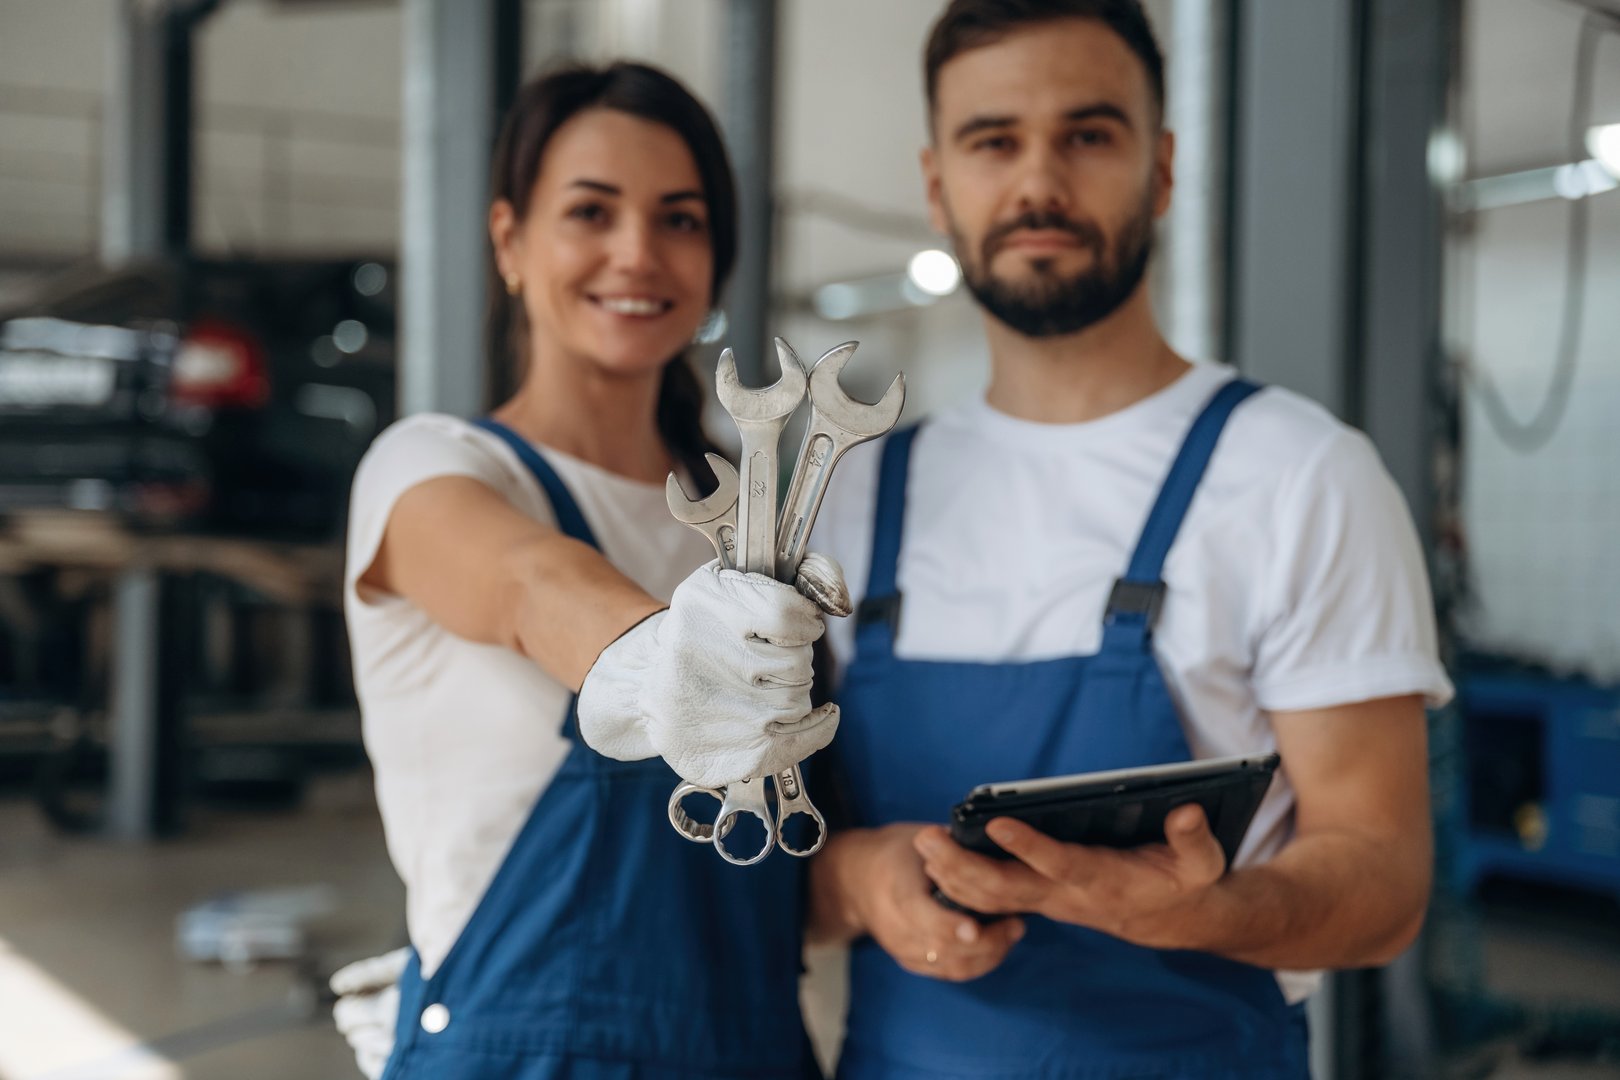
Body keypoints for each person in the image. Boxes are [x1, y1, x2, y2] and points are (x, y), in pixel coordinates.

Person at [805, 1, 1453, 1076]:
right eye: (993, 140)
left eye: (1088, 135)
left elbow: (1383, 882)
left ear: (1160, 169)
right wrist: (855, 878)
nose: (1038, 183)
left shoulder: (1301, 477)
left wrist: (1203, 911)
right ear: (937, 186)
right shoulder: (854, 493)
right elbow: (784, 856)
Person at [337, 62, 840, 1079]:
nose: (636, 253)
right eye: (591, 211)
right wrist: (658, 657)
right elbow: (527, 584)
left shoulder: (765, 521)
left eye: (681, 219)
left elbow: (792, 869)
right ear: (510, 242)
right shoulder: (434, 465)